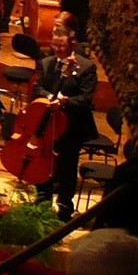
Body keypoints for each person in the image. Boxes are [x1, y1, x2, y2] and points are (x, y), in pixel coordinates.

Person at [30, 25, 98, 220]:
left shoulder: (86, 67)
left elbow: (85, 99)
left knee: (67, 168)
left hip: (71, 126)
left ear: (72, 44)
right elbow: (37, 87)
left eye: (61, 46)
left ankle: (64, 210)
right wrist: (50, 97)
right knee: (43, 164)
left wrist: (65, 101)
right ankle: (41, 205)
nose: (57, 49)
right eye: (54, 45)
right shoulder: (46, 63)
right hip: (47, 124)